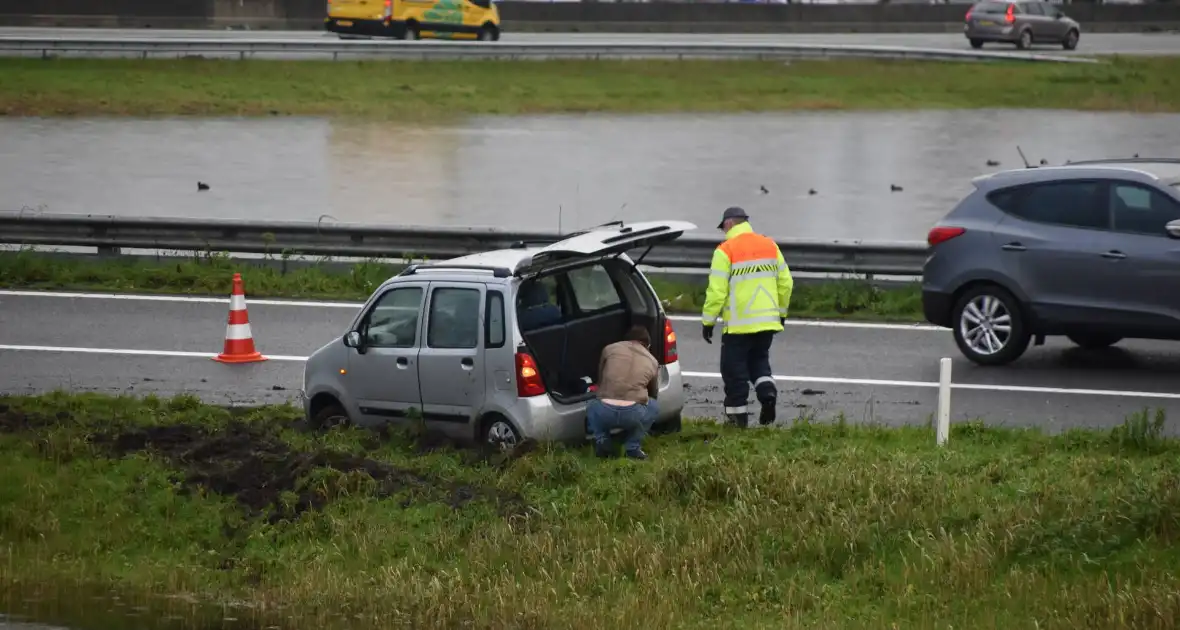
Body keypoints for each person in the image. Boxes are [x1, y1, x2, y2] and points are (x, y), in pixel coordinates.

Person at [701, 206, 794, 428]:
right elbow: (786, 283)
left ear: (729, 224)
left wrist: (708, 321)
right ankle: (767, 394)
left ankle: (737, 420)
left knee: (734, 372)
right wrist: (781, 314)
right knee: (759, 363)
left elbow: (716, 292)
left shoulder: (725, 250)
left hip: (739, 326)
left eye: (723, 227)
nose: (723, 232)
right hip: (767, 323)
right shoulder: (769, 245)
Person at [587, 325, 660, 460]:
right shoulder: (653, 361)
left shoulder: (609, 349)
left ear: (626, 340)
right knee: (654, 406)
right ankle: (632, 447)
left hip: (604, 411)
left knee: (590, 405)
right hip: (633, 414)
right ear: (647, 345)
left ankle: (602, 440)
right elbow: (653, 392)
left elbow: (600, 378)